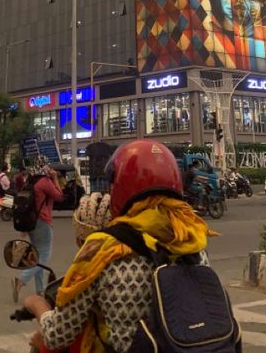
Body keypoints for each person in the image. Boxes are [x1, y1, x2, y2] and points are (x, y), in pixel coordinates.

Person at [23, 139, 216, 353]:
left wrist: (36, 304)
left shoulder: (104, 250)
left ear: (121, 186)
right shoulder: (192, 242)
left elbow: (58, 334)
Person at [12, 158, 63, 302]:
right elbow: (59, 196)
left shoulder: (30, 181)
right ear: (45, 167)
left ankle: (40, 291)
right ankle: (21, 280)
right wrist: (54, 178)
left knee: (37, 255)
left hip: (30, 223)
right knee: (44, 256)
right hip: (43, 222)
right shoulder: (45, 182)